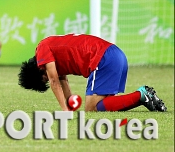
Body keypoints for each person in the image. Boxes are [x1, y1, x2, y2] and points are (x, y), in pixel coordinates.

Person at [18, 33, 167, 112]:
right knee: (102, 105)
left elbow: (54, 81)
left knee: (91, 108)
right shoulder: (52, 55)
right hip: (115, 55)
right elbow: (62, 79)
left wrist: (64, 110)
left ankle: (141, 95)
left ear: (38, 69)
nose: (47, 79)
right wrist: (70, 105)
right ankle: (144, 97)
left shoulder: (42, 48)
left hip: (103, 59)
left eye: (43, 79)